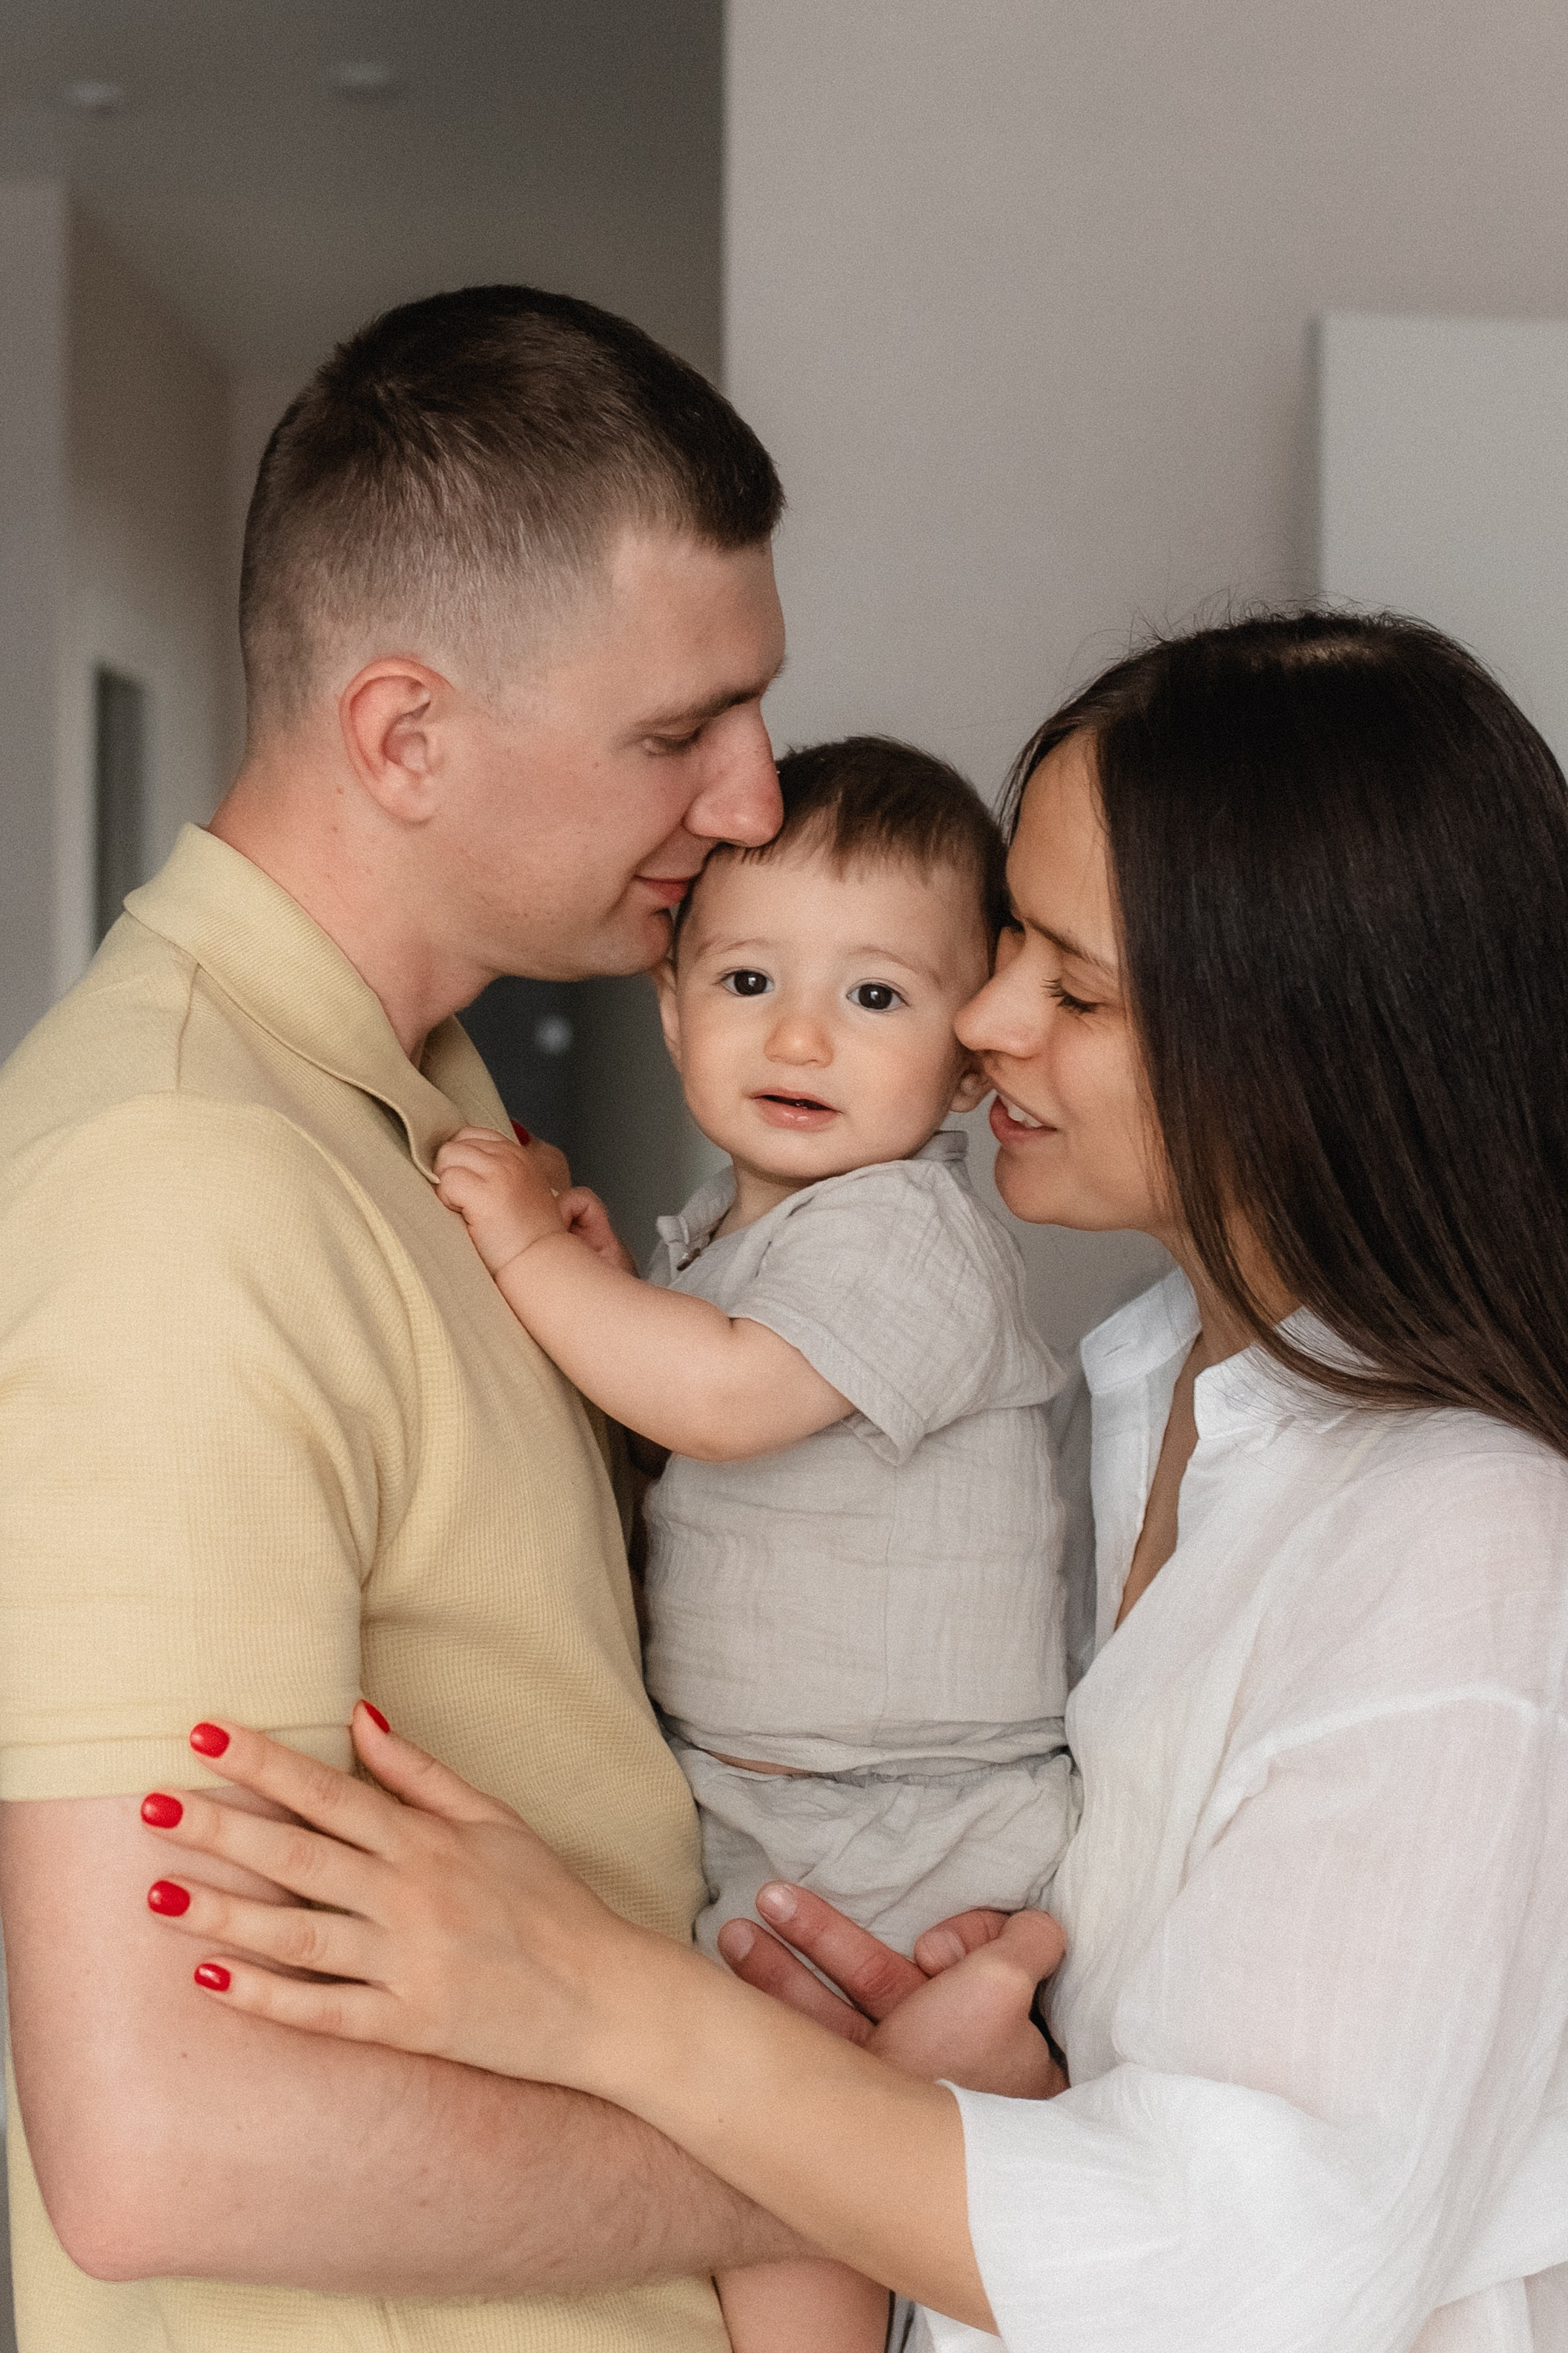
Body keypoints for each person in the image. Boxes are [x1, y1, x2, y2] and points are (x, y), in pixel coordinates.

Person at [141, 613, 1568, 2353]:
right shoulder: (1135, 1394)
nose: (979, 1020)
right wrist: (943, 2086)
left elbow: (1247, 2267)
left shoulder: (1467, 1537)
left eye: (1070, 981)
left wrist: (592, 1998)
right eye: (1005, 951)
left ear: (1306, 1041)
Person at [0, 282, 813, 2353]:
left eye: (754, 710)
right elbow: (162, 2133)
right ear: (402, 732)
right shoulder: (184, 1181)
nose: (753, 800)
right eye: (674, 734)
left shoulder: (401, 1103)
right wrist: (857, 2142)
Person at [432, 736, 1079, 2353]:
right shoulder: (731, 1241)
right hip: (765, 1808)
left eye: (874, 998)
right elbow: (681, 1403)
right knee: (775, 2195)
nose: (798, 1034)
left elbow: (721, 1404)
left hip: (912, 1823)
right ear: (668, 1008)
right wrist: (613, 1290)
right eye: (742, 978)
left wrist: (525, 1256)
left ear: (970, 1051)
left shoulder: (913, 1233)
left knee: (808, 2183)